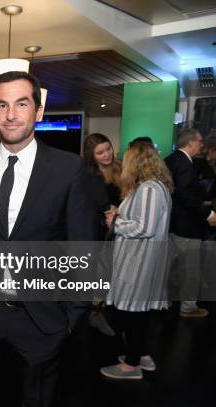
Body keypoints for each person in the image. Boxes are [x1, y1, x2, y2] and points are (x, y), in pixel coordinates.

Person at [0, 70, 96, 407]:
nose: (11, 115)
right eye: (2, 105)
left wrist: (70, 319)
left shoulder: (68, 169)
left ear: (38, 111)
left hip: (42, 319)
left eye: (21, 104)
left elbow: (82, 245)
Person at [100, 142, 173, 380]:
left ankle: (132, 365)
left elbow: (145, 227)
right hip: (142, 258)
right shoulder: (153, 187)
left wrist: (116, 223)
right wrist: (121, 214)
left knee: (130, 312)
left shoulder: (149, 189)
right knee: (138, 312)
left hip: (139, 260)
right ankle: (142, 355)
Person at [165, 128, 216, 318]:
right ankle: (188, 307)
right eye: (200, 141)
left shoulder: (171, 159)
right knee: (191, 268)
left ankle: (164, 300)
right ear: (190, 143)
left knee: (171, 267)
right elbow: (186, 195)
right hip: (187, 225)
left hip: (174, 224)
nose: (202, 145)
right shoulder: (185, 163)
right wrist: (208, 214)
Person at [82, 133, 122, 336]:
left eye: (108, 149)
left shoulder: (120, 168)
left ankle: (98, 312)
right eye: (100, 152)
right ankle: (93, 314)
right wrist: (111, 210)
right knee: (100, 276)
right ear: (91, 156)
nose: (107, 154)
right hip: (99, 233)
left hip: (120, 229)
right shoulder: (89, 175)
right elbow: (96, 206)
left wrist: (121, 209)